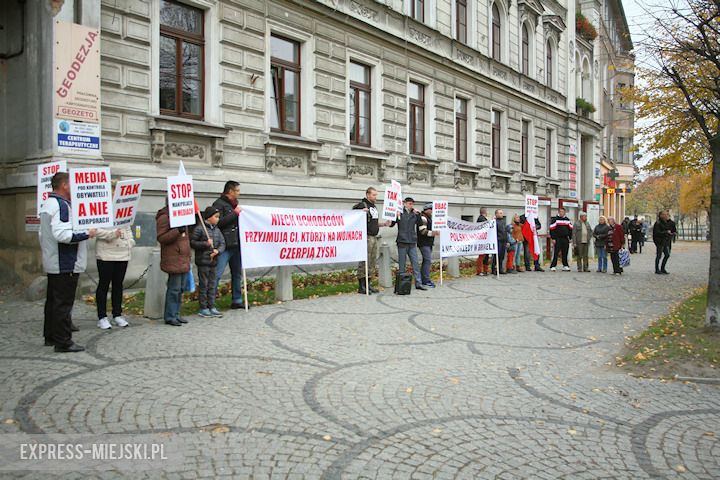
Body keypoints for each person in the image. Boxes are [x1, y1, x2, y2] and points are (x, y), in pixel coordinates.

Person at [39, 172, 96, 352]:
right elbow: (62, 235)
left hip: (55, 261)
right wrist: (87, 233)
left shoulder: (49, 203)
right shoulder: (62, 205)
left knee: (53, 302)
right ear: (64, 185)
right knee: (63, 303)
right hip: (65, 263)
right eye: (72, 184)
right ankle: (63, 342)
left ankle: (51, 336)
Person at [94, 181, 135, 330]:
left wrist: (130, 241)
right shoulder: (99, 209)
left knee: (118, 284)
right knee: (104, 284)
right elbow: (94, 229)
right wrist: (111, 234)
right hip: (106, 253)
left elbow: (127, 227)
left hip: (122, 253)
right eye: (112, 193)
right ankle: (102, 316)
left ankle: (117, 314)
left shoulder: (123, 209)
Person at [156, 202, 192, 326]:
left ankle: (176, 314)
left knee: (180, 288)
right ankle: (170, 315)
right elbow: (161, 237)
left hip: (183, 257)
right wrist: (177, 231)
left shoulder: (182, 215)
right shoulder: (164, 217)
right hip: (173, 257)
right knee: (174, 288)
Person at [213, 181, 244, 309]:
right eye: (237, 190)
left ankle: (237, 300)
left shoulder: (235, 205)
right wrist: (235, 213)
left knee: (237, 274)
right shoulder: (218, 204)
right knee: (217, 274)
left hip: (236, 244)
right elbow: (218, 222)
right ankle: (210, 302)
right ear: (230, 191)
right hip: (224, 245)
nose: (239, 193)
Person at [353, 187, 390, 294]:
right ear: (368, 194)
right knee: (365, 260)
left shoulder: (374, 207)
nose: (375, 197)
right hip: (366, 236)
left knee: (372, 261)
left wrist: (383, 224)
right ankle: (362, 286)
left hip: (374, 236)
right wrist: (360, 212)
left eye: (376, 195)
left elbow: (373, 222)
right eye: (374, 195)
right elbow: (351, 215)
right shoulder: (362, 205)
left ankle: (368, 284)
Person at [191, 206, 226, 317]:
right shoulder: (199, 228)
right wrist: (205, 244)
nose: (218, 219)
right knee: (204, 284)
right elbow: (193, 242)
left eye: (218, 217)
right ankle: (203, 307)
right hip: (203, 261)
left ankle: (211, 305)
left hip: (213, 261)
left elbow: (222, 243)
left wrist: (218, 251)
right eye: (216, 217)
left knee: (212, 284)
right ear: (209, 217)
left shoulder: (217, 230)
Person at [391, 197, 426, 290]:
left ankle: (418, 283)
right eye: (409, 203)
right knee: (402, 265)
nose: (411, 205)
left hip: (412, 241)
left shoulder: (414, 214)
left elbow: (420, 224)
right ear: (404, 203)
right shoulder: (399, 212)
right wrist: (394, 215)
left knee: (415, 263)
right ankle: (401, 285)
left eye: (412, 204)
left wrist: (418, 215)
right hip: (402, 241)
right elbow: (391, 224)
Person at [417, 203, 439, 287]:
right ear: (428, 210)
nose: (433, 211)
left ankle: (424, 279)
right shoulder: (423, 218)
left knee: (426, 261)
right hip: (424, 243)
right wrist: (434, 233)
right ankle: (426, 280)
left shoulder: (428, 218)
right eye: (432, 209)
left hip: (428, 242)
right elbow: (422, 231)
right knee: (427, 260)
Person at [549, 207, 573, 271]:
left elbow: (570, 229)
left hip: (565, 238)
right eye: (560, 211)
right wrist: (553, 238)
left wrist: (570, 237)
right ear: (559, 212)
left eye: (563, 211)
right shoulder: (555, 219)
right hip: (557, 238)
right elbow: (552, 229)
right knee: (556, 252)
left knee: (565, 252)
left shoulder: (567, 220)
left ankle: (565, 265)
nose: (561, 213)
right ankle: (553, 266)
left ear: (564, 212)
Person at [653, 210, 675, 274]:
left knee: (667, 255)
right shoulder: (658, 223)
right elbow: (657, 233)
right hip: (659, 242)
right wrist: (666, 232)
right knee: (659, 256)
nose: (666, 216)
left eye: (667, 214)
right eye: (664, 214)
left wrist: (671, 233)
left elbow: (669, 230)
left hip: (665, 241)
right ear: (661, 215)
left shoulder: (665, 222)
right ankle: (657, 269)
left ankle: (662, 268)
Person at [491, 209, 507, 275]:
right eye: (500, 213)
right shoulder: (495, 222)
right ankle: (494, 269)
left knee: (502, 256)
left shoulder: (503, 222)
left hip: (503, 240)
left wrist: (507, 241)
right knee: (496, 255)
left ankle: (500, 268)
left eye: (502, 213)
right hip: (498, 240)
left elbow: (505, 232)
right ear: (496, 214)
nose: (501, 214)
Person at [475, 208, 490, 276]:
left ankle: (485, 270)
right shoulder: (481, 219)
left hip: (485, 239)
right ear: (485, 212)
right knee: (482, 256)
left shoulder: (482, 218)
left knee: (486, 255)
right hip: (482, 240)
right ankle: (479, 270)